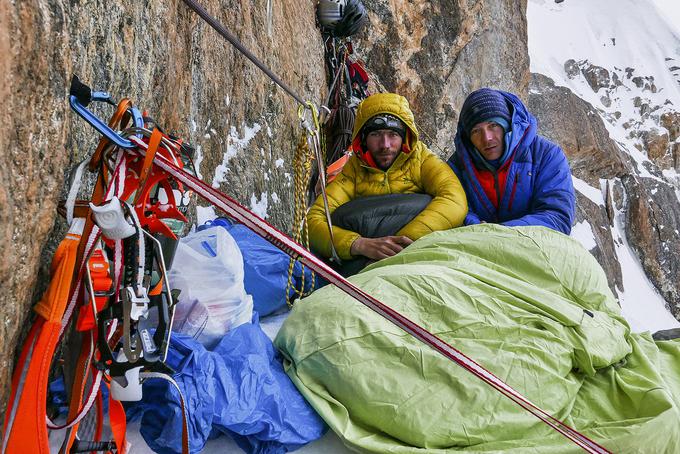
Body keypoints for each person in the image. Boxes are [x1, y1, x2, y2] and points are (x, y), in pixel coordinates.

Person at [308, 92, 467, 270]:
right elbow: (314, 220)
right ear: (364, 139)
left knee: (426, 203)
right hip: (368, 255)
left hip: (412, 250)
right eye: (376, 134)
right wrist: (359, 245)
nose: (385, 144)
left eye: (393, 134)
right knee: (338, 218)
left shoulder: (422, 160)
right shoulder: (353, 170)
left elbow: (455, 200)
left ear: (405, 136)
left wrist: (399, 245)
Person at [447, 87, 575, 234]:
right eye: (476, 131)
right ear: (469, 138)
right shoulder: (458, 166)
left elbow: (557, 217)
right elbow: (452, 206)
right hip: (476, 245)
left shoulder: (546, 155)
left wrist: (498, 232)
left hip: (533, 247)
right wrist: (476, 226)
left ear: (508, 125)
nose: (487, 138)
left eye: (493, 125)